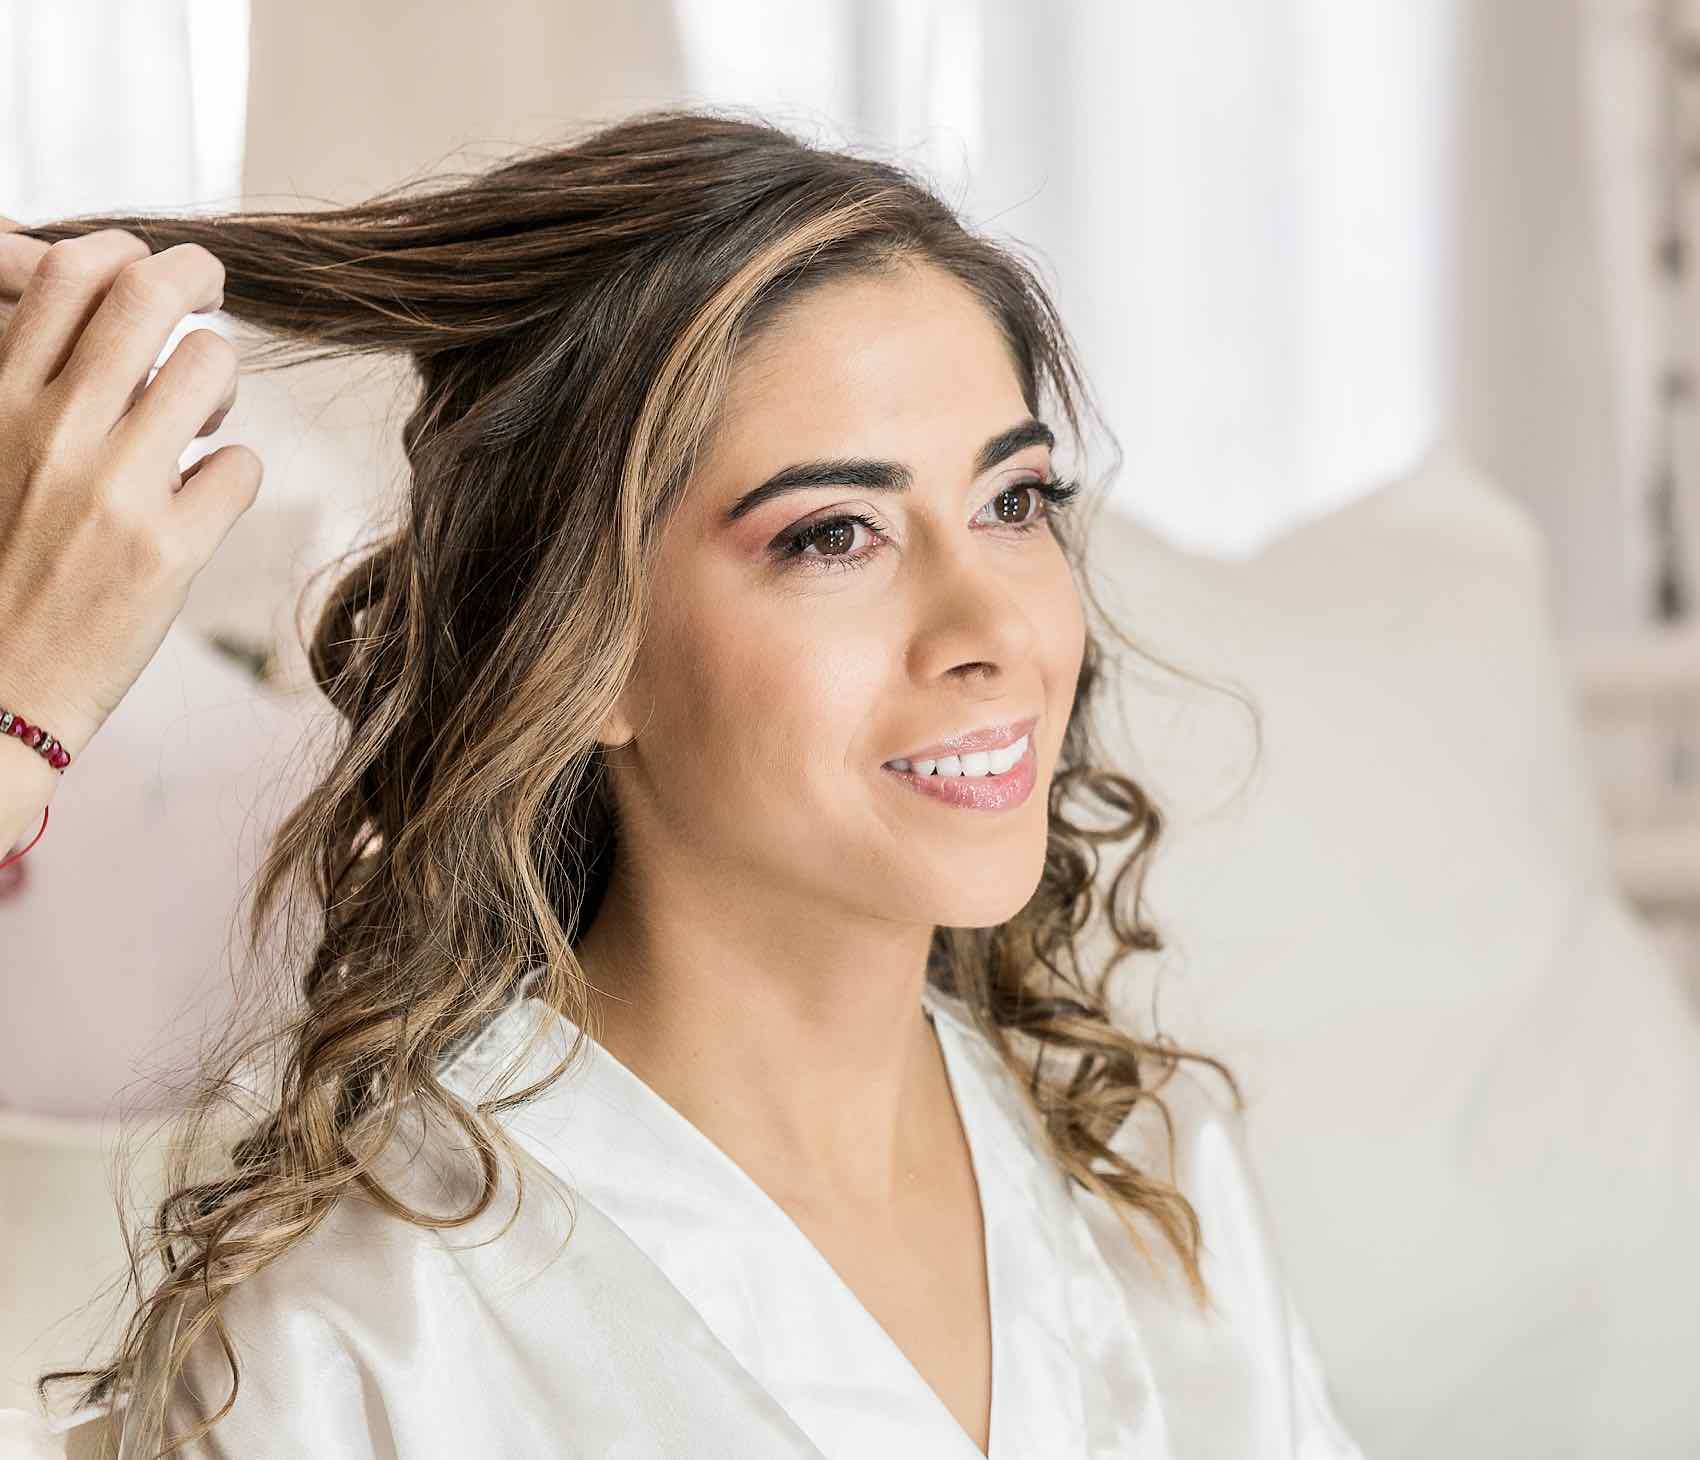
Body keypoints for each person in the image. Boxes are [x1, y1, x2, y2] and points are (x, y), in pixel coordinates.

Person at [0, 107, 1366, 1459]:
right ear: (588, 657)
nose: (995, 632)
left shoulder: (1142, 1176)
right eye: (835, 535)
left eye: (1012, 503)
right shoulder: (361, 1349)